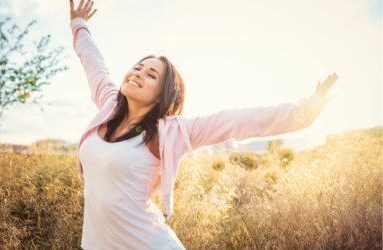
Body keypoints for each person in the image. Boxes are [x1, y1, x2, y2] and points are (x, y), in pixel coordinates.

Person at [69, 0, 339, 249]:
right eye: (138, 67)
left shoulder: (170, 133)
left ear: (161, 95)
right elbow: (94, 63)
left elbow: (236, 121)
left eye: (151, 74)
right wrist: (79, 25)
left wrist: (305, 111)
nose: (138, 73)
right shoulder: (108, 106)